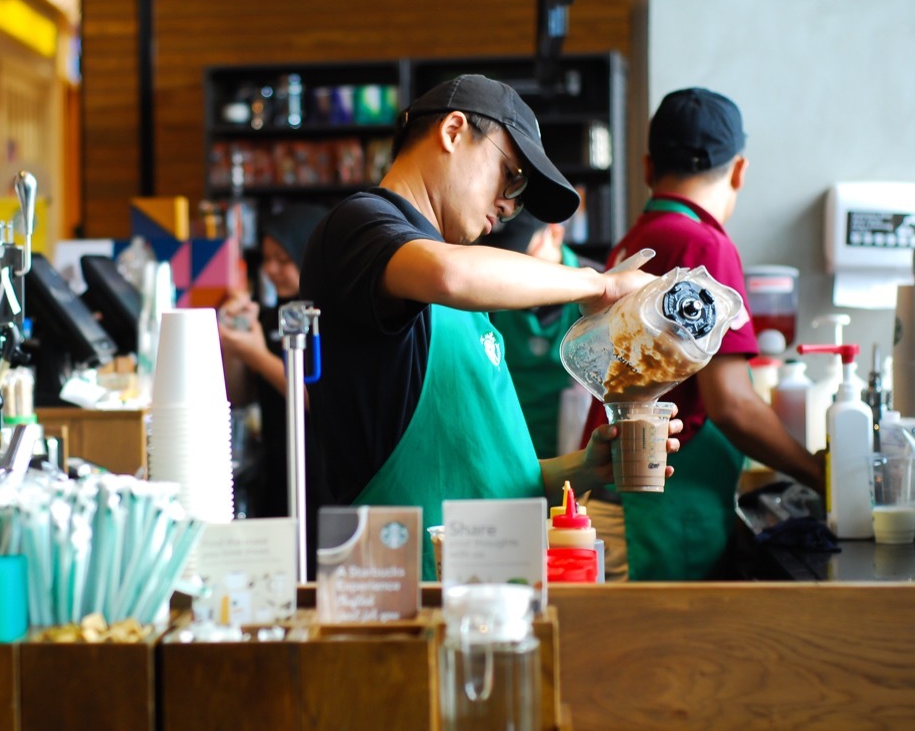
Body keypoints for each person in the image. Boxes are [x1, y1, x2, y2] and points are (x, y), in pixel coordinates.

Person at [299, 74, 682, 580]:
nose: (507, 205)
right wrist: (599, 285)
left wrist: (582, 469)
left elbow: (490, 481)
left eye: (518, 194)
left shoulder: (463, 298)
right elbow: (449, 273)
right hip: (404, 590)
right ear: (454, 131)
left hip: (482, 588)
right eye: (510, 176)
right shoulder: (362, 227)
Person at [580, 87, 825, 582]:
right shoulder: (705, 245)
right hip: (665, 516)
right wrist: (820, 475)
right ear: (739, 171)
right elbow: (730, 404)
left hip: (615, 500)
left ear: (648, 168)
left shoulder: (635, 241)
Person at [219, 202, 329, 518]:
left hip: (321, 477)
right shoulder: (270, 317)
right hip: (277, 475)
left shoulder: (328, 318)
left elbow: (316, 398)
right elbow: (240, 396)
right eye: (267, 259)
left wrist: (257, 354)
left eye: (284, 259)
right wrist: (235, 344)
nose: (272, 270)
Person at [480, 211, 602, 459]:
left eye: (523, 256)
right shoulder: (487, 293)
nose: (511, 271)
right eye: (503, 258)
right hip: (509, 452)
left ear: (555, 233)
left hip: (580, 455)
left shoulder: (601, 291)